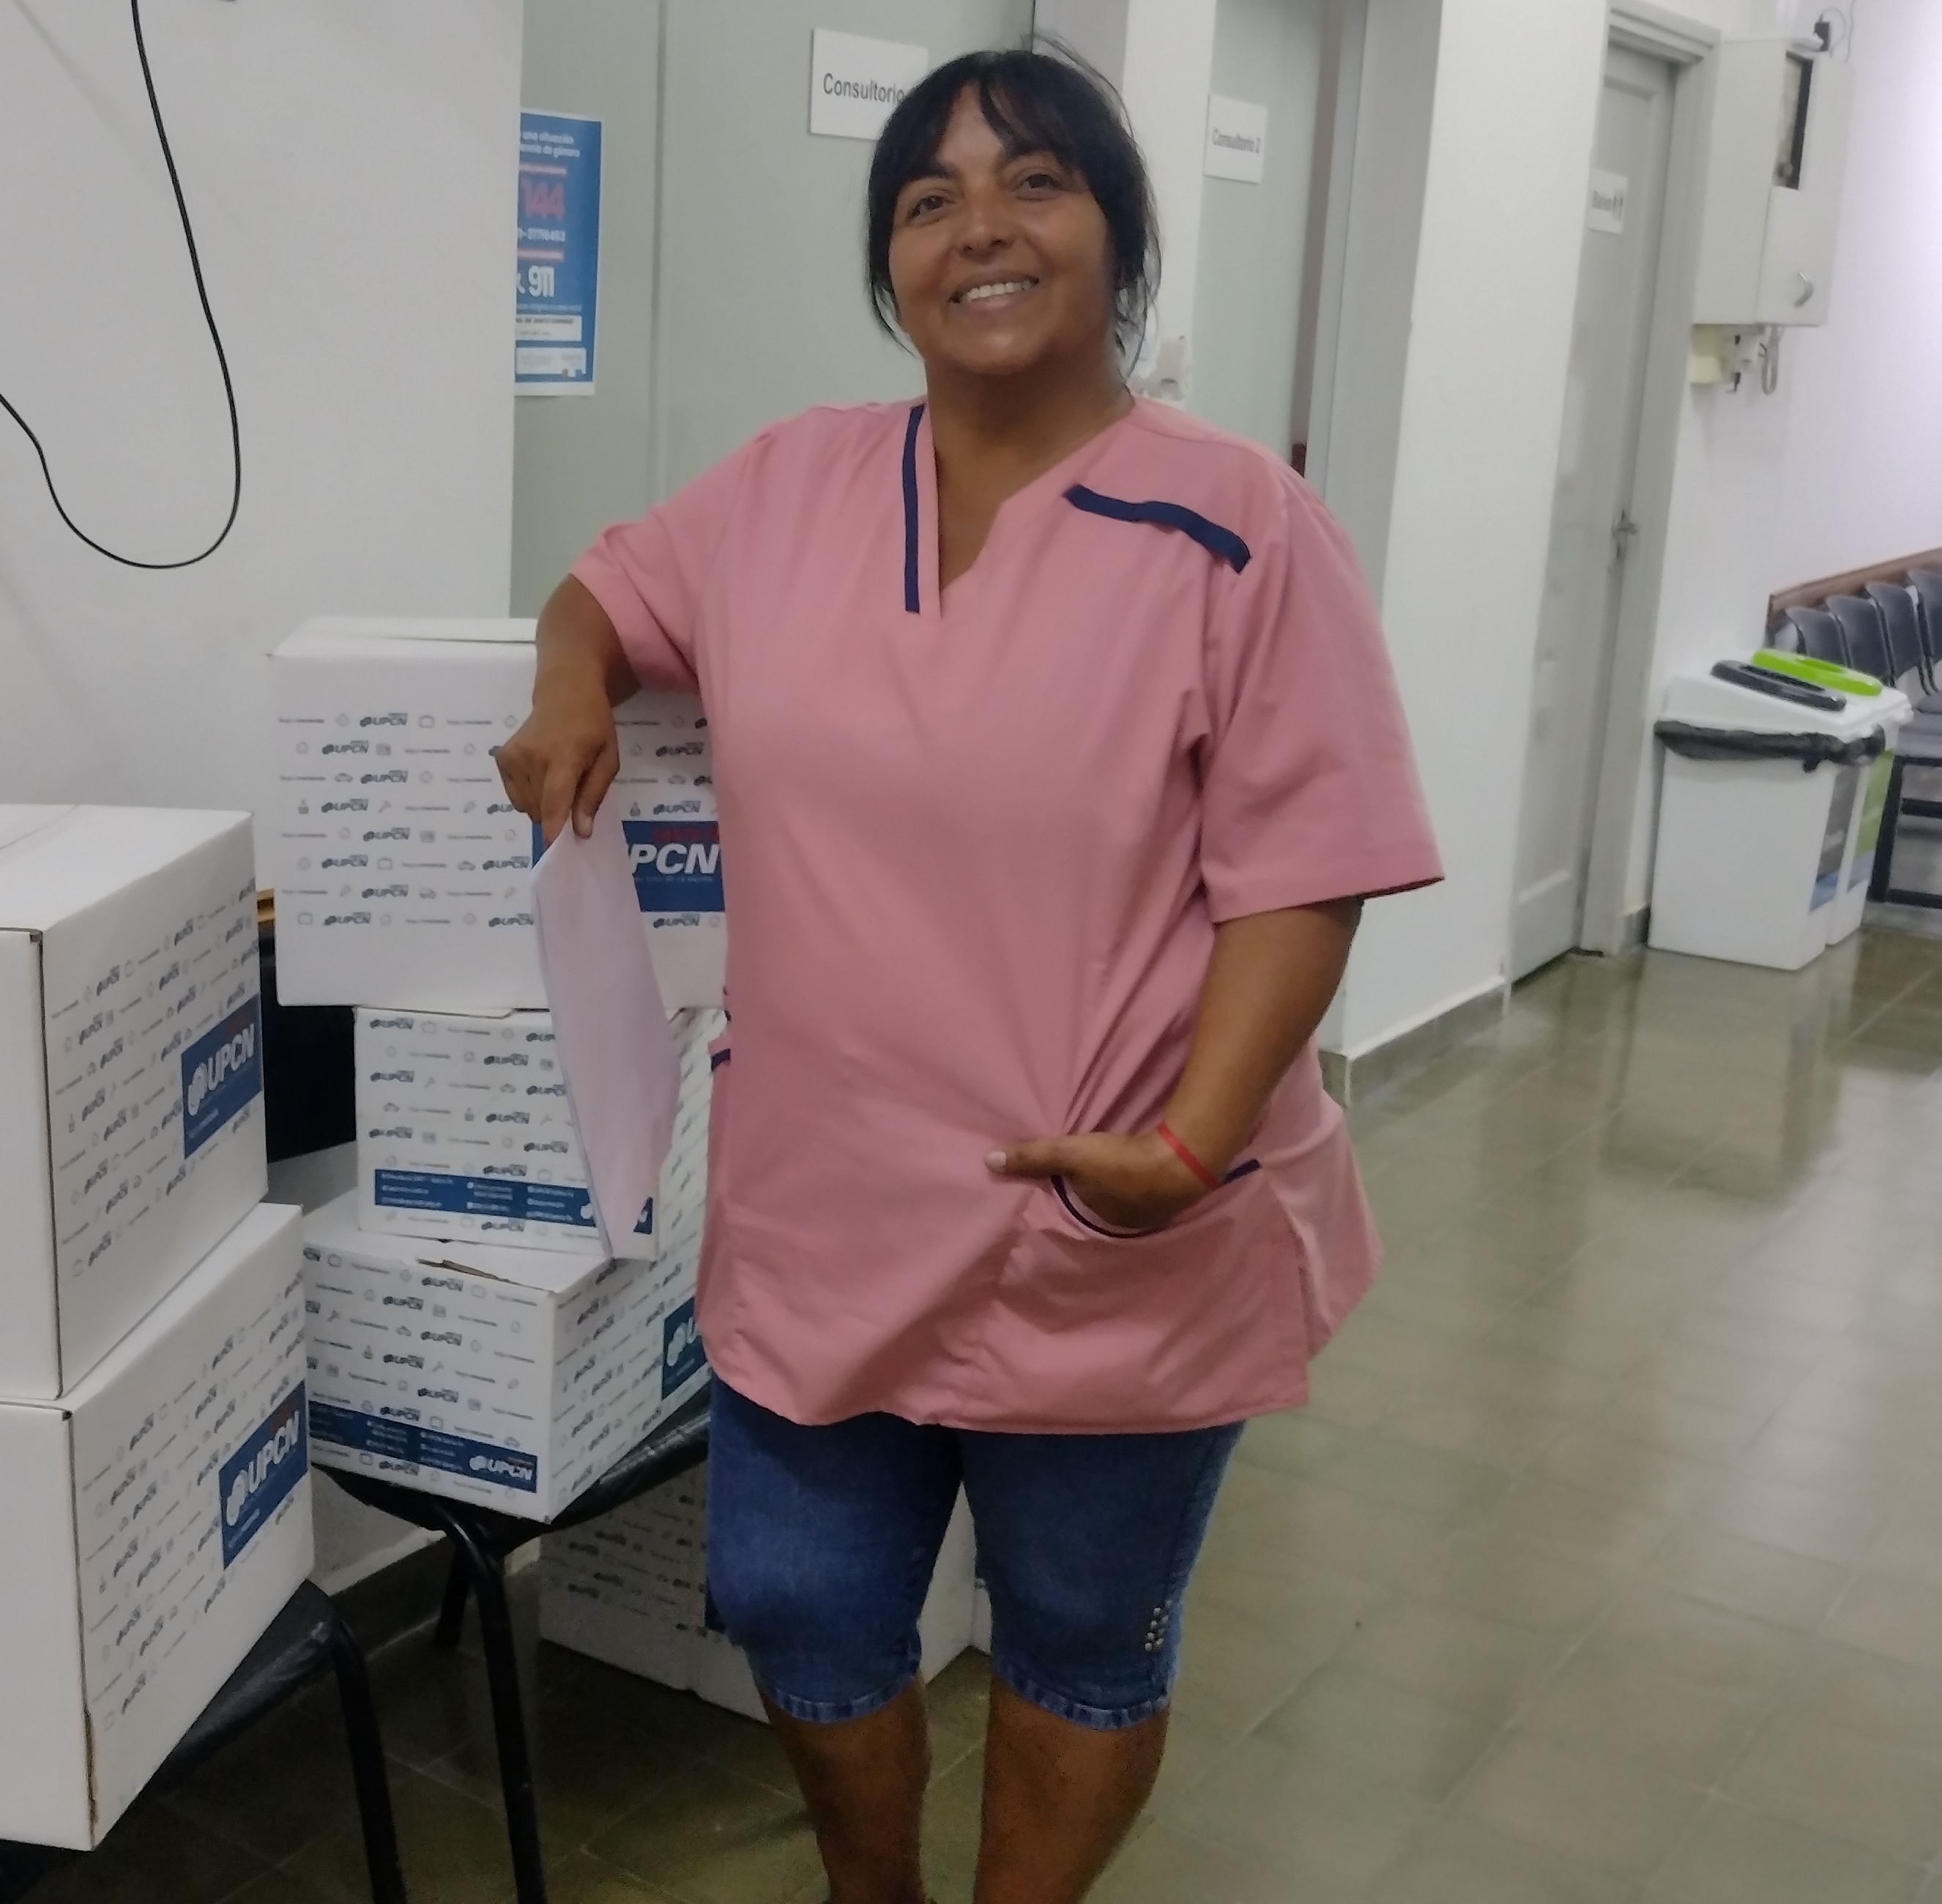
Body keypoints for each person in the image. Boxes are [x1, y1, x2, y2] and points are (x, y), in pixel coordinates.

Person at [493, 44, 1442, 1904]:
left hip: (1106, 1208)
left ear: (1117, 232)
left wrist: (1183, 1148)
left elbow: (1304, 874)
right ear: (889, 262)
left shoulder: (1237, 524)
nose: (979, 230)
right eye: (928, 200)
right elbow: (608, 582)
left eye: (1033, 183)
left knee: (1077, 1632)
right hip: (827, 1200)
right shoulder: (788, 487)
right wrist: (566, 681)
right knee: (792, 1596)